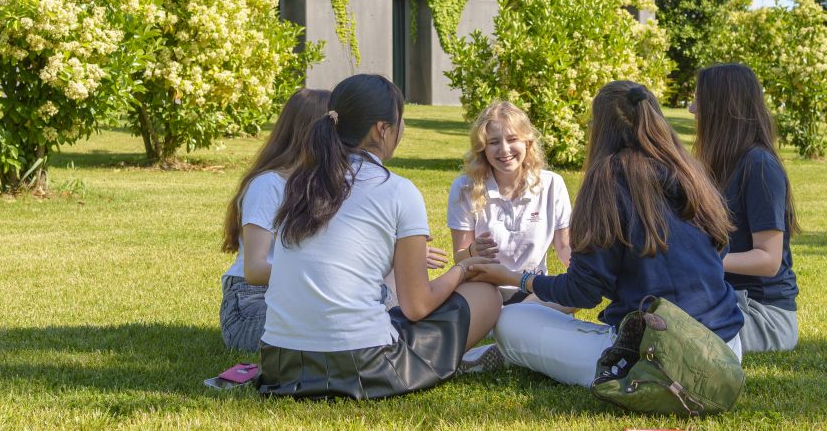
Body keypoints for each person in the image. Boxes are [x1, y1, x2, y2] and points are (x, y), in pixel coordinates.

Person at [466, 80, 744, 386]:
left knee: (510, 321)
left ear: (599, 128)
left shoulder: (606, 179)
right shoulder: (690, 172)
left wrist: (515, 278)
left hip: (653, 360)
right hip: (726, 351)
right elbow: (720, 249)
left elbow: (581, 292)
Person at [257, 74, 502, 399]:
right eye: (400, 122)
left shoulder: (298, 182)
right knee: (486, 294)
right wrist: (462, 270)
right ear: (381, 129)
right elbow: (417, 306)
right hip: (362, 366)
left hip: (280, 364)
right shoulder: (397, 190)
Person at [692, 63, 800, 353]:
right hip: (723, 299)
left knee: (667, 330)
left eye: (698, 101)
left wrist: (702, 261)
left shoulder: (760, 166)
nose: (692, 110)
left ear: (720, 108)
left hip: (763, 314)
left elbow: (768, 259)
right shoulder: (718, 165)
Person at [218, 88, 330, 352]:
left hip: (296, 297)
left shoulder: (321, 186)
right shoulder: (268, 185)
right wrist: (314, 274)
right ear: (314, 133)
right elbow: (255, 270)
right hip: (251, 304)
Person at [446, 101, 572, 308]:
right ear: (482, 148)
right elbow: (460, 257)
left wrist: (586, 270)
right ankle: (513, 320)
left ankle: (511, 319)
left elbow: (565, 247)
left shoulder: (552, 184)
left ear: (527, 143)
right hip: (485, 288)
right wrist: (473, 250)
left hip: (533, 288)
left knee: (571, 297)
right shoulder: (464, 188)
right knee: (512, 317)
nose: (504, 150)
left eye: (513, 139)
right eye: (494, 142)